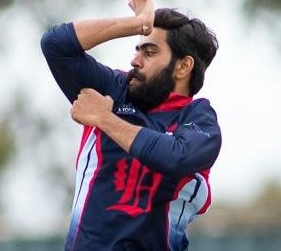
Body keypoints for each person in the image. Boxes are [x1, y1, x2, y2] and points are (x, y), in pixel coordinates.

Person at [41, 0, 221, 250]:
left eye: (149, 52)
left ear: (183, 66)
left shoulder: (199, 117)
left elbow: (175, 157)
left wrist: (104, 118)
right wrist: (136, 23)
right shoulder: (115, 89)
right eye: (137, 50)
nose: (135, 60)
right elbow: (56, 45)